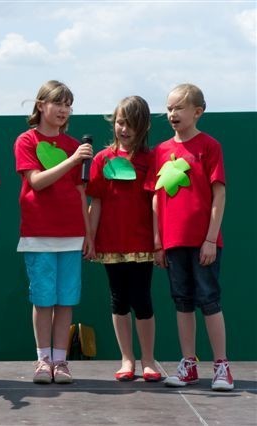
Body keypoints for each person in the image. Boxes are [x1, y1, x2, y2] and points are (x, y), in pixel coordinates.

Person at [146, 83, 233, 391]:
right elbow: (156, 198)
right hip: (172, 242)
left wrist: (210, 239)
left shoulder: (209, 146)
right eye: (169, 108)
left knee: (209, 299)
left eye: (179, 108)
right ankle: (189, 364)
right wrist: (158, 241)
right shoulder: (161, 151)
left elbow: (218, 194)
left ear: (197, 112)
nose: (172, 114)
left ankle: (222, 366)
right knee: (182, 301)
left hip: (202, 242)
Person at [13, 80, 93, 384]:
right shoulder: (26, 141)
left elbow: (80, 192)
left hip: (72, 235)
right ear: (40, 105)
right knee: (43, 300)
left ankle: (61, 362)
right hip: (38, 234)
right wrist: (73, 160)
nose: (63, 109)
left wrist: (89, 236)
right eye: (57, 103)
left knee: (65, 300)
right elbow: (36, 181)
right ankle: (43, 360)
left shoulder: (75, 146)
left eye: (67, 104)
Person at [86, 96, 161, 382]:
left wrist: (157, 242)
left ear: (143, 127)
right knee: (118, 299)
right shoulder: (103, 159)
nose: (124, 129)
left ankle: (149, 359)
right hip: (111, 242)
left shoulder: (150, 159)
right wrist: (91, 238)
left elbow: (155, 202)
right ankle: (127, 358)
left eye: (130, 124)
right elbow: (97, 202)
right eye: (120, 122)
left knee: (142, 299)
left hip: (141, 243)